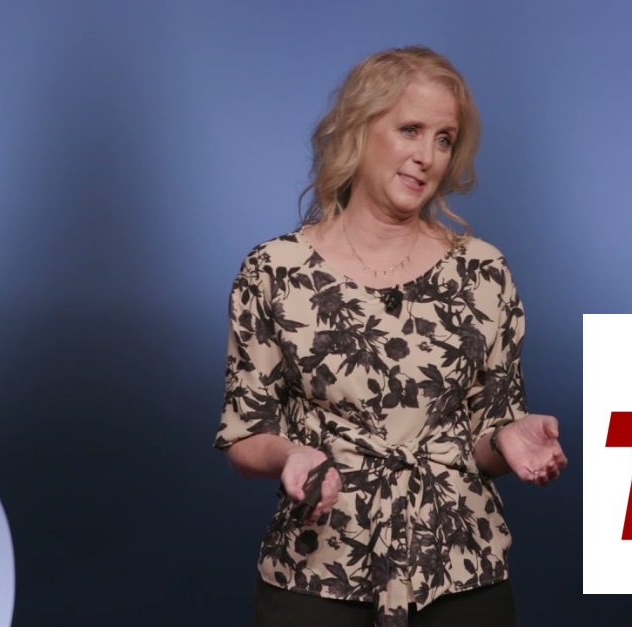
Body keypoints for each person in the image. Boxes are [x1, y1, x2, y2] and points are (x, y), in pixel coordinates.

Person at [214, 45, 567, 627]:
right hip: (318, 571)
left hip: (461, 570)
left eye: (444, 139)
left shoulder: (482, 270)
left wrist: (508, 437)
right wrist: (293, 454)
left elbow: (484, 435)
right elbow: (244, 435)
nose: (427, 157)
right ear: (359, 128)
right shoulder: (274, 270)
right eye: (410, 130)